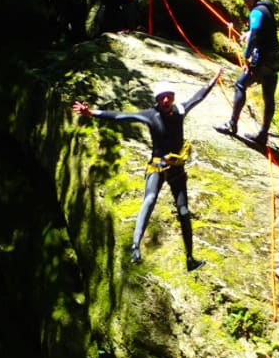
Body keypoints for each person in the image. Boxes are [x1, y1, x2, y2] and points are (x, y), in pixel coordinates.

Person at [72, 69, 222, 271]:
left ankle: (190, 259)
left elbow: (199, 97)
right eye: (162, 98)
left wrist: (214, 79)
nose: (167, 100)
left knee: (184, 212)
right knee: (150, 199)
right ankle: (135, 246)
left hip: (176, 167)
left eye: (169, 97)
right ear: (157, 100)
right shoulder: (150, 115)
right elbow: (121, 117)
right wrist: (92, 113)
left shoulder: (180, 110)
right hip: (157, 166)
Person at [217, 0, 279, 146]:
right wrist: (249, 33)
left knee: (240, 84)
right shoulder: (267, 9)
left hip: (263, 60)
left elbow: (255, 36)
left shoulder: (256, 12)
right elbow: (262, 31)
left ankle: (232, 124)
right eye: (244, 0)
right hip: (275, 60)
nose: (246, 3)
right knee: (269, 97)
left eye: (247, 0)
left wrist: (246, 57)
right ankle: (263, 135)